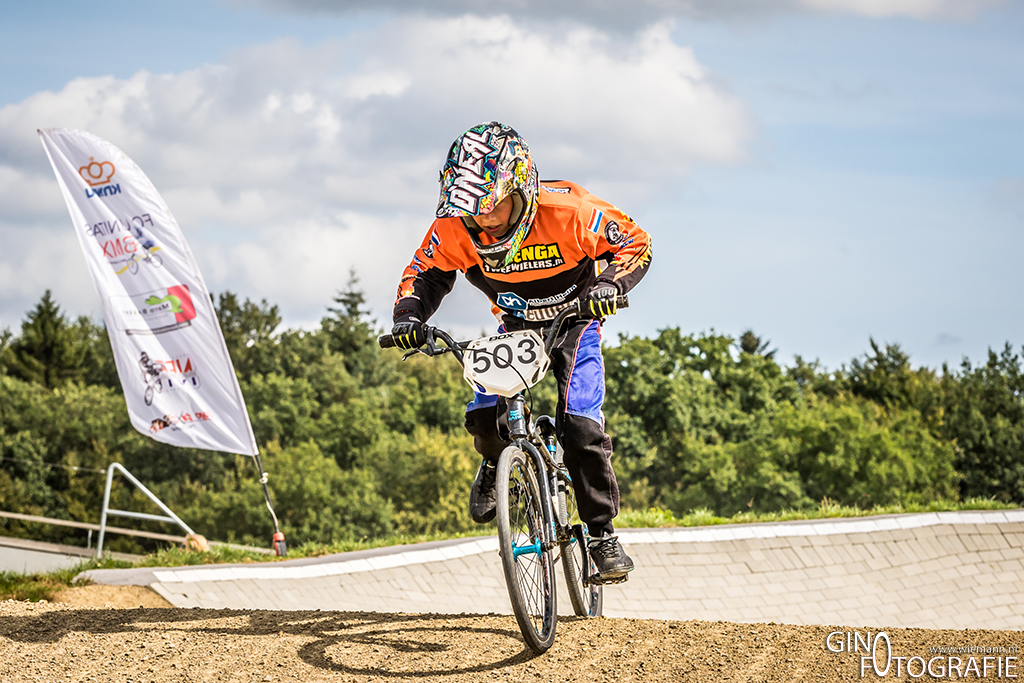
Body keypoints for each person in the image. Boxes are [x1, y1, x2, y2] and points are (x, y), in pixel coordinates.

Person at [390, 121, 652, 582]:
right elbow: (425, 272)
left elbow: (634, 242)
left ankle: (601, 535)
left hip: (576, 321)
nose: (485, 221)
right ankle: (494, 461)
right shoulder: (455, 226)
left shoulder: (571, 210)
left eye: (494, 208)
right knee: (486, 417)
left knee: (582, 429)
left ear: (522, 188)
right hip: (513, 325)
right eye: (474, 212)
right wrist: (409, 318)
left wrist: (610, 284)